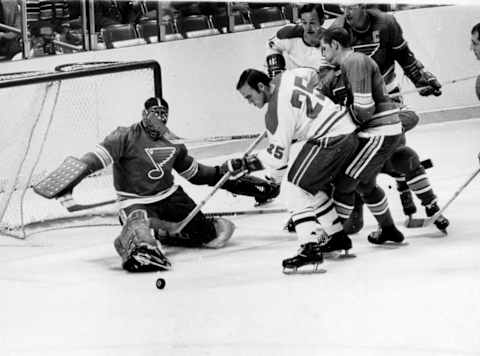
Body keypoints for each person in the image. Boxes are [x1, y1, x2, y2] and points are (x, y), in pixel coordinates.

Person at [34, 97, 279, 272]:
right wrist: (70, 182)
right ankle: (135, 239)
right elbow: (93, 160)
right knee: (141, 242)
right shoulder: (123, 136)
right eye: (154, 114)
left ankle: (165, 232)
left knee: (213, 234)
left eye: (164, 115)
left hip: (171, 197)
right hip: (136, 201)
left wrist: (229, 170)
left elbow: (200, 175)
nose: (159, 119)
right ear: (143, 115)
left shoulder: (174, 144)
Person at [329, 4, 447, 233]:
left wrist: (422, 80)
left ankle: (420, 201)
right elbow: (328, 71)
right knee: (362, 161)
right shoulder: (337, 28)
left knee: (396, 151)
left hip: (387, 100)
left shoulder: (386, 23)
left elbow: (405, 57)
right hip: (356, 105)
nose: (346, 12)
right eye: (342, 6)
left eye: (350, 6)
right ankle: (362, 208)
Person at [227, 67, 359, 271]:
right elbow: (312, 73)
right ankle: (337, 237)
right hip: (344, 129)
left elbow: (277, 160)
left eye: (249, 97)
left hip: (331, 138)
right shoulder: (286, 76)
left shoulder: (275, 113)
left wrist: (246, 165)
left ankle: (310, 248)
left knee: (293, 189)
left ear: (261, 87)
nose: (249, 102)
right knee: (308, 187)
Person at [320, 27, 405, 245]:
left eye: (324, 49)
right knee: (365, 184)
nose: (322, 55)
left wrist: (337, 125)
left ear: (336, 45)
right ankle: (389, 230)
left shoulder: (355, 61)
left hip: (378, 132)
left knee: (345, 182)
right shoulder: (350, 64)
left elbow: (364, 108)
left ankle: (333, 237)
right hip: (381, 131)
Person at [265, 3, 331, 78]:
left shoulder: (331, 43)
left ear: (322, 21)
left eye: (312, 23)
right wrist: (276, 70)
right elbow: (272, 46)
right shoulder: (289, 34)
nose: (308, 28)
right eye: (304, 23)